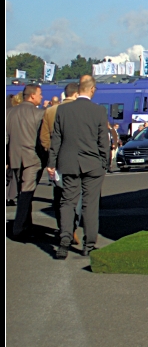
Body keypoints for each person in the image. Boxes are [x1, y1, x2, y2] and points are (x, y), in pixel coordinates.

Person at [47, 75, 109, 259]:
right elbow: (102, 141)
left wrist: (52, 163)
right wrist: (105, 162)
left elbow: (56, 139)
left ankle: (64, 239)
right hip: (92, 164)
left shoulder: (63, 111)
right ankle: (88, 244)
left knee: (67, 202)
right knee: (90, 205)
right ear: (92, 90)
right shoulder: (98, 111)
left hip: (68, 163)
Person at [6, 84, 45, 240]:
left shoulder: (8, 113)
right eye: (40, 94)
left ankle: (26, 225)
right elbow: (42, 140)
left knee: (22, 194)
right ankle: (19, 227)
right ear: (33, 95)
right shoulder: (40, 114)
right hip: (32, 159)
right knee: (26, 194)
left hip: (15, 157)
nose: (41, 97)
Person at [40, 82, 79, 235]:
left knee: (58, 194)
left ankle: (62, 226)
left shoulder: (50, 111)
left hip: (56, 158)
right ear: (76, 94)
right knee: (75, 193)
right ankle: (73, 225)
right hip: (75, 157)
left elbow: (44, 137)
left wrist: (51, 152)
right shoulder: (79, 110)